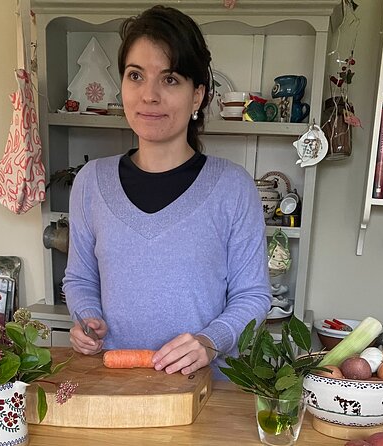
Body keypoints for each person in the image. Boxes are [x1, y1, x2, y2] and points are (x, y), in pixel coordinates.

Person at [63, 5, 270, 379]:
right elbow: (80, 279)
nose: (149, 95)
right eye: (135, 75)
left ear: (197, 96)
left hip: (204, 394)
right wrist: (87, 319)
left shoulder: (233, 188)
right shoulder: (91, 182)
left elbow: (253, 295)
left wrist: (209, 341)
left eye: (170, 79)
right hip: (114, 385)